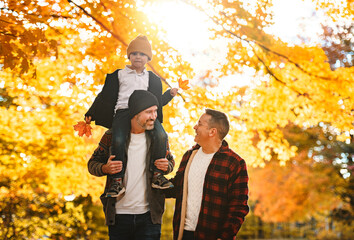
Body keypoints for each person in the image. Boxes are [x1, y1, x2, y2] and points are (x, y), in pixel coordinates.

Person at [85, 35, 177, 198]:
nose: (138, 57)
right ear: (129, 56)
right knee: (118, 139)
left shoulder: (152, 79)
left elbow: (158, 102)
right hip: (123, 111)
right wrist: (91, 113)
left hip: (145, 113)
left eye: (142, 54)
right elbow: (104, 96)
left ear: (148, 58)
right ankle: (117, 180)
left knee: (161, 135)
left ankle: (157, 176)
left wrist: (168, 95)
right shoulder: (119, 75)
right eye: (134, 53)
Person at [88, 90, 175, 239]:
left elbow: (170, 162)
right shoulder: (112, 136)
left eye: (155, 111)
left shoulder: (158, 138)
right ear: (135, 113)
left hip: (149, 217)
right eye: (149, 112)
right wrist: (105, 168)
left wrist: (167, 166)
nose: (154, 116)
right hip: (118, 216)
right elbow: (92, 164)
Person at [165, 109, 249, 240]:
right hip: (184, 234)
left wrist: (225, 237)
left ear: (212, 132)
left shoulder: (235, 163)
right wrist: (152, 181)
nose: (195, 127)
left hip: (212, 235)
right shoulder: (189, 156)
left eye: (199, 124)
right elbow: (177, 188)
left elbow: (238, 207)